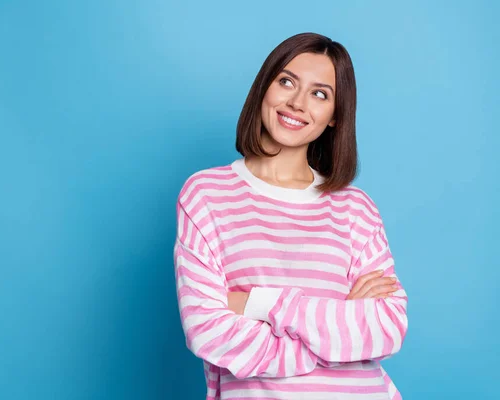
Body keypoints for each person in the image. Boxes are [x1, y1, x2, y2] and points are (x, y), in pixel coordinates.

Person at [174, 32, 408, 400]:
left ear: (334, 116)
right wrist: (336, 331)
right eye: (287, 82)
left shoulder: (355, 207)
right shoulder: (206, 195)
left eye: (320, 94)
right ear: (264, 89)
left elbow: (387, 327)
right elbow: (208, 330)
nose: (298, 103)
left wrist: (261, 304)